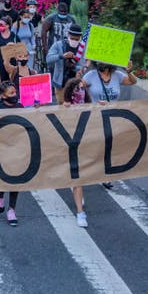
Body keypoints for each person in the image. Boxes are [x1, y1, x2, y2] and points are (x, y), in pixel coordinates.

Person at [60, 77, 92, 227]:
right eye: (77, 89)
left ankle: (77, 193)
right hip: (71, 147)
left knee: (82, 176)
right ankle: (80, 213)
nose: (80, 92)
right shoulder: (64, 107)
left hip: (86, 145)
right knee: (77, 178)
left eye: (82, 89)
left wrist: (102, 107)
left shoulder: (90, 106)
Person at [0, 83, 22, 226]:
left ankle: (12, 210)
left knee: (16, 179)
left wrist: (36, 111)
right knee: (5, 178)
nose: (14, 95)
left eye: (15, 92)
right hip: (2, 149)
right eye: (11, 93)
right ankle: (0, 193)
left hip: (18, 148)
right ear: (3, 96)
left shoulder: (20, 107)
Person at [46, 23, 84, 96]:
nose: (74, 41)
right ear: (68, 35)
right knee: (61, 105)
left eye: (77, 39)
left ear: (80, 38)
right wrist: (61, 56)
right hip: (61, 83)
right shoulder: (58, 45)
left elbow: (84, 65)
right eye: (72, 38)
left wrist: (74, 67)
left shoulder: (82, 48)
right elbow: (48, 59)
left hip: (77, 83)